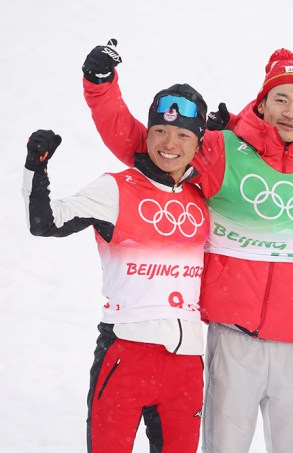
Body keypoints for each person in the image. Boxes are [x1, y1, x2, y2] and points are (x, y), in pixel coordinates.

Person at [80, 41, 293, 452]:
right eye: (280, 98)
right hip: (233, 336)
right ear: (262, 103)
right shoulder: (222, 150)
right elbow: (149, 146)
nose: (290, 111)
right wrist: (101, 88)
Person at [22, 84, 211, 453]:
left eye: (183, 134)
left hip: (186, 365)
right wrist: (36, 168)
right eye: (159, 130)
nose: (169, 142)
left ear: (199, 142)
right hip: (126, 352)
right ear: (147, 134)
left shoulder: (204, 197)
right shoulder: (115, 188)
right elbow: (44, 222)